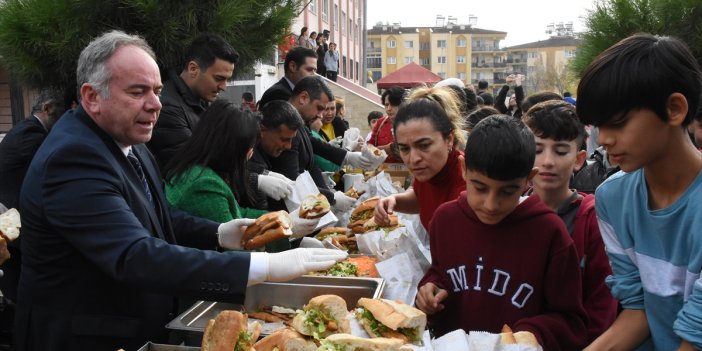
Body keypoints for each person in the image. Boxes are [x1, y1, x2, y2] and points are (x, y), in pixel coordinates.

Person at [14, 30, 346, 350]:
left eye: (157, 90)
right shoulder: (73, 157)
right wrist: (261, 267)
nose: (155, 104)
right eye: (137, 91)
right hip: (89, 337)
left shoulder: (130, 139)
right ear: (91, 97)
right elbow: (134, 255)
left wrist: (218, 233)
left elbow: (156, 214)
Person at [415, 115, 587, 350]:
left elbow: (572, 321)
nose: (491, 204)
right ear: (464, 169)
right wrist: (429, 290)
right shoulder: (445, 220)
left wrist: (531, 334)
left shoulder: (550, 233)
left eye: (507, 191)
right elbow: (440, 273)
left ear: (529, 179)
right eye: (480, 188)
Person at [578, 33, 702, 351]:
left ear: (674, 109)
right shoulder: (612, 199)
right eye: (598, 126)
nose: (603, 139)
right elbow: (639, 311)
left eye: (618, 123)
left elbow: (696, 336)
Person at [523, 100, 618, 344]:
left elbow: (601, 306)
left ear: (579, 159)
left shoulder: (595, 220)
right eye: (537, 149)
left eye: (560, 151)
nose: (547, 161)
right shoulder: (508, 211)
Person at [0, 90, 66, 346]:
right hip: (12, 220)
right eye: (60, 115)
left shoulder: (24, 130)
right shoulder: (33, 134)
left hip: (12, 217)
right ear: (47, 108)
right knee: (17, 289)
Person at [373, 87, 467, 231]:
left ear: (449, 139)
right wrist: (394, 200)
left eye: (424, 145)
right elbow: (421, 197)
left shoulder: (470, 182)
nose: (414, 159)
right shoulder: (430, 171)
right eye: (404, 148)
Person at [270, 76, 367, 209]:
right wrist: (331, 197)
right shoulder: (286, 123)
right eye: (319, 108)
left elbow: (312, 145)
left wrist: (346, 156)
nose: (321, 115)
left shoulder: (300, 121)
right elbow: (293, 180)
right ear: (303, 98)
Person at [148, 33, 239, 171]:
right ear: (193, 69)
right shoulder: (167, 107)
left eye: (227, 80)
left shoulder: (205, 102)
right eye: (219, 78)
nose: (224, 87)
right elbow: (189, 167)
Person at [164, 100, 266, 223]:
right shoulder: (206, 184)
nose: (251, 151)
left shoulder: (197, 170)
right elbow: (234, 236)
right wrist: (287, 228)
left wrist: (277, 216)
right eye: (251, 145)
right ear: (233, 147)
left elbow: (237, 212)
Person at [368, 86, 406, 163]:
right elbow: (369, 145)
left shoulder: (412, 123)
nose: (388, 108)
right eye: (386, 105)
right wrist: (381, 151)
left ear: (403, 103)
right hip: (383, 171)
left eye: (393, 104)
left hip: (408, 171)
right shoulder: (380, 123)